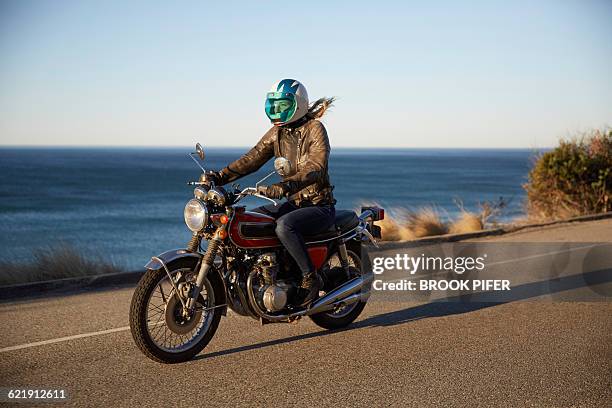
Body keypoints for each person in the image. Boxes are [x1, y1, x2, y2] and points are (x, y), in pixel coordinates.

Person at [210, 79, 336, 307]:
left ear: (297, 104)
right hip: (293, 203)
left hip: (318, 205)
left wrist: (286, 186)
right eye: (274, 105)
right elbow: (253, 158)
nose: (276, 110)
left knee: (284, 226)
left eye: (282, 105)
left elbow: (315, 167)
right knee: (253, 219)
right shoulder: (277, 132)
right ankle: (266, 274)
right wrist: (219, 177)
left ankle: (310, 278)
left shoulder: (314, 129)